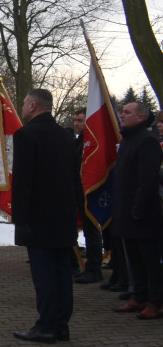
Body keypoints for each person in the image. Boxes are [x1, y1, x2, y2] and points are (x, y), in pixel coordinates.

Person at [11, 89, 79, 343]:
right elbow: (75, 177)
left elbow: (23, 181)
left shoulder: (26, 134)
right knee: (62, 272)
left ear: (32, 106)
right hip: (64, 215)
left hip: (38, 217)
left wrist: (20, 219)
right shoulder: (65, 136)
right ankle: (62, 325)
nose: (23, 107)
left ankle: (46, 325)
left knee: (44, 274)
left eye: (25, 103)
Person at [110, 101, 163, 320]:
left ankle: (157, 302)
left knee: (150, 260)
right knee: (134, 259)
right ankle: (138, 296)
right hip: (125, 212)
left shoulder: (147, 141)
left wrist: (139, 209)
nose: (121, 115)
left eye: (126, 112)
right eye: (122, 111)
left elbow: (148, 179)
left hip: (143, 213)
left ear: (141, 117)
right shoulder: (128, 140)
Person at [72, 108, 104, 283]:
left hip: (89, 192)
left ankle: (94, 267)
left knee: (91, 231)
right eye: (75, 120)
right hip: (78, 191)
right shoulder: (79, 141)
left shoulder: (91, 141)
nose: (77, 123)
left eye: (80, 120)